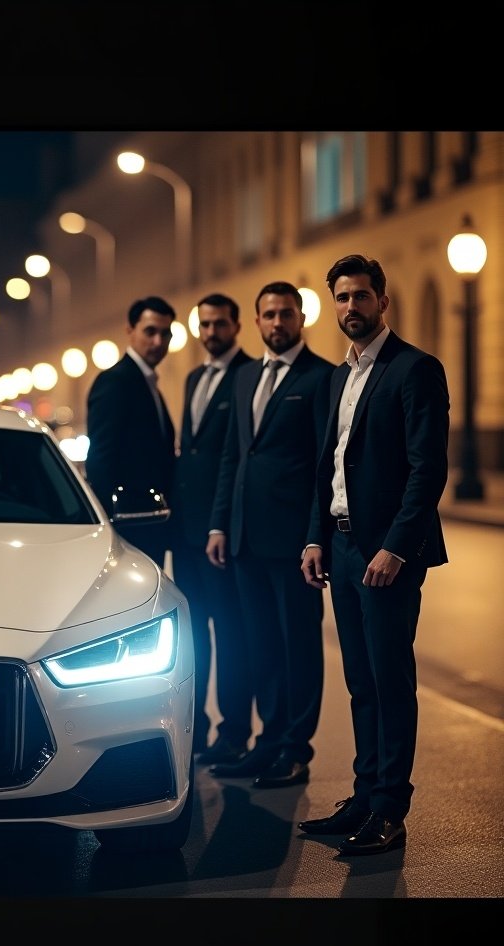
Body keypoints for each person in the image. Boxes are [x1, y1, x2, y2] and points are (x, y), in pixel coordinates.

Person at [299, 254, 449, 856]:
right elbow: (328, 467)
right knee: (360, 681)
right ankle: (364, 796)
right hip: (339, 544)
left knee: (390, 680)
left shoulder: (415, 369)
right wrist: (315, 537)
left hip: (387, 554)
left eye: (362, 296)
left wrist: (395, 547)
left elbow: (427, 469)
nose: (351, 307)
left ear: (382, 302)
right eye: (342, 298)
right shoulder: (340, 377)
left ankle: (390, 808)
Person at [206, 281, 334, 788]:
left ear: (301, 318)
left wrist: (314, 536)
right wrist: (220, 522)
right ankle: (267, 741)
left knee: (297, 646)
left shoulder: (322, 377)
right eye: (269, 315)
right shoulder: (244, 379)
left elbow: (325, 467)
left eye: (286, 314)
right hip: (244, 541)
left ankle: (295, 749)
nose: (277, 323)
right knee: (259, 645)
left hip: (294, 544)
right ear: (256, 322)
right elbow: (233, 457)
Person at [170, 293, 254, 760]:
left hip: (219, 533)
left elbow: (236, 457)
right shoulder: (193, 377)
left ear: (236, 325)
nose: (211, 332)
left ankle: (234, 730)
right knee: (193, 636)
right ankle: (195, 728)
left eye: (220, 324)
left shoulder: (248, 375)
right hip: (186, 534)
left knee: (231, 634)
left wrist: (219, 524)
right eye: (204, 324)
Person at [84, 295, 177, 568]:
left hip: (147, 520)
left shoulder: (146, 382)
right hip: (128, 523)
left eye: (165, 333)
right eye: (150, 331)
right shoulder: (115, 381)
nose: (158, 341)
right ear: (130, 331)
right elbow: (100, 457)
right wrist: (110, 524)